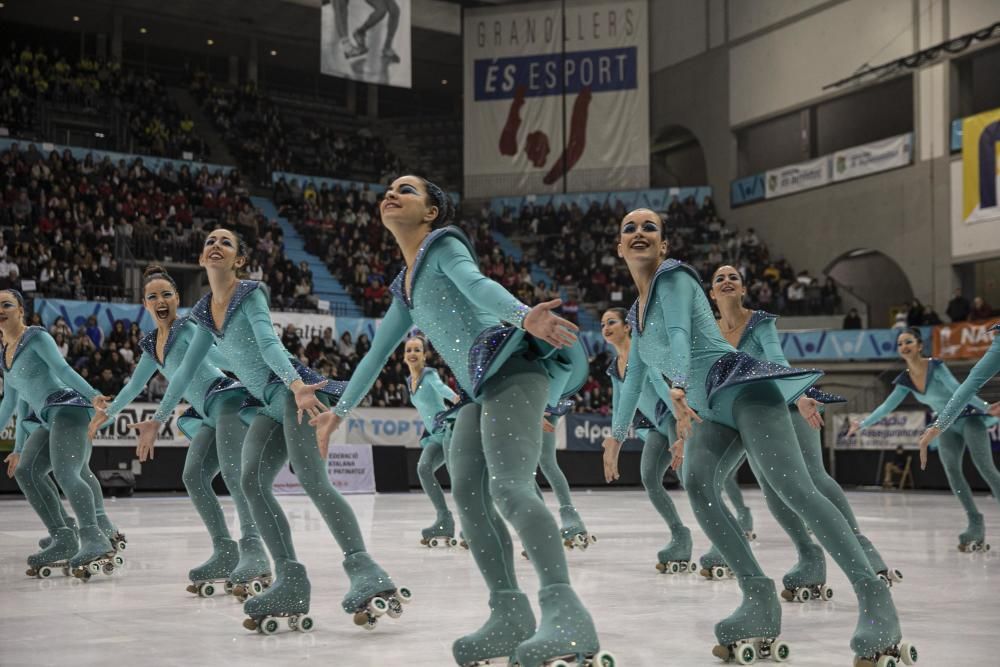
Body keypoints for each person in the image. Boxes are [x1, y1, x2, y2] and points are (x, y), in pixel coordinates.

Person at [310, 176, 610, 667]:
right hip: (477, 388)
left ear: (431, 212)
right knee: (468, 493)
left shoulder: (442, 244)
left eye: (405, 190)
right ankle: (510, 613)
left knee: (511, 489)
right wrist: (337, 414)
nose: (390, 193)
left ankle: (567, 612)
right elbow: (373, 358)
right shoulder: (404, 289)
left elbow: (476, 284)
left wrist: (521, 315)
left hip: (513, 365)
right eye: (386, 188)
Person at [602, 209, 910, 666]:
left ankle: (875, 599)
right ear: (620, 247)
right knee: (697, 482)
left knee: (795, 489)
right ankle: (758, 598)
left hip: (745, 390)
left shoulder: (676, 278)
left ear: (664, 245)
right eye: (631, 228)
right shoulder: (636, 316)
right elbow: (633, 381)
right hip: (714, 411)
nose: (640, 233)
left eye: (650, 227)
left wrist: (681, 386)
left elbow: (684, 337)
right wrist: (615, 436)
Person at [130, 228, 407, 634]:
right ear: (202, 258)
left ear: (238, 260)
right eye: (210, 241)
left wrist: (295, 386)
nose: (216, 245)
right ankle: (291, 580)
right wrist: (159, 417)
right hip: (265, 402)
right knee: (250, 481)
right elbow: (184, 370)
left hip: (293, 392)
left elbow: (270, 344)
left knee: (312, 479)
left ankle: (366, 570)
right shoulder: (205, 312)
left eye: (226, 242)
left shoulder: (249, 293)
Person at [710, 264, 899, 597]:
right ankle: (809, 557)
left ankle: (864, 551)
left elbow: (777, 360)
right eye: (719, 279)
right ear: (711, 293)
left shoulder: (760, 321)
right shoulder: (711, 331)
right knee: (771, 488)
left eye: (733, 278)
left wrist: (798, 397)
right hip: (753, 415)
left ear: (743, 289)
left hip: (789, 402)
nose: (726, 281)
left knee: (813, 478)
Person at [88, 265, 267, 597]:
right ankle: (226, 551)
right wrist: (105, 416)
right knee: (193, 477)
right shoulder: (150, 345)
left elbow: (212, 360)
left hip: (226, 399)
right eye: (153, 296)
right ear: (145, 304)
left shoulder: (187, 328)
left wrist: (256, 363)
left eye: (167, 294)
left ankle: (254, 551)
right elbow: (131, 389)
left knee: (231, 473)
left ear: (177, 299)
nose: (161, 300)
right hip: (206, 412)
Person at [0, 290, 122, 579]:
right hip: (46, 418)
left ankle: (93, 537)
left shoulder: (37, 337)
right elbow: (11, 402)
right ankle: (64, 536)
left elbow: (63, 369)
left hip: (68, 408)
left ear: (20, 310)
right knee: (26, 471)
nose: (0, 309)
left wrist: (92, 396)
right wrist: (17, 448)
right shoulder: (4, 353)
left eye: (6, 304)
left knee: (68, 474)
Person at [850, 327, 1000, 552]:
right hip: (945, 426)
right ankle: (975, 523)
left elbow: (959, 389)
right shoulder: (905, 380)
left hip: (969, 417)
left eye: (908, 341)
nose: (904, 347)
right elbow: (886, 407)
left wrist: (986, 408)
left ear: (920, 345)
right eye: (900, 344)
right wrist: (861, 424)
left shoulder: (936, 366)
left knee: (986, 469)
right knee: (953, 472)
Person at [602, 306, 694, 574]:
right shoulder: (614, 368)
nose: (605, 328)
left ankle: (723, 544)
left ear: (627, 326)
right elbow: (619, 407)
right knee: (650, 478)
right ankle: (680, 536)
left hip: (673, 417)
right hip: (654, 426)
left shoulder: (643, 354)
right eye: (602, 324)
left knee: (692, 480)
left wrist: (681, 429)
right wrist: (612, 445)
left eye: (612, 322)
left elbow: (664, 391)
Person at [402, 334, 461, 547]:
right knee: (423, 469)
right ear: (404, 356)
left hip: (447, 431)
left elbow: (441, 388)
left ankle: (475, 523)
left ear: (424, 355)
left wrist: (456, 398)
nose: (413, 353)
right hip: (433, 436)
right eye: (409, 350)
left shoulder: (429, 374)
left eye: (417, 350)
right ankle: (444, 519)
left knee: (459, 479)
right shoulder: (409, 382)